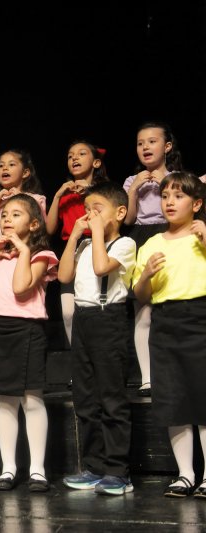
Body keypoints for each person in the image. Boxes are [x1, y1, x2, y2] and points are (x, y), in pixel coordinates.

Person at [0, 194, 58, 492]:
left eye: (15, 214)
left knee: (32, 399)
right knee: (5, 400)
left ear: (34, 224)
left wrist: (22, 250)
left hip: (27, 329)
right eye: (4, 215)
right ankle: (8, 468)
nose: (7, 219)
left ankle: (37, 469)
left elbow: (21, 287)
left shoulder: (41, 255)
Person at [58, 182, 136, 496]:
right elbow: (63, 276)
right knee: (86, 399)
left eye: (97, 209)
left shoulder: (124, 244)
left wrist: (99, 233)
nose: (90, 215)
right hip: (83, 319)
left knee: (112, 399)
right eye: (87, 209)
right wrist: (74, 237)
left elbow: (102, 268)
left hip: (109, 319)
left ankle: (118, 472)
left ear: (120, 212)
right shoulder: (86, 245)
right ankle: (94, 467)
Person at [133, 171, 206, 499]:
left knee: (202, 398)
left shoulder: (201, 235)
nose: (170, 202)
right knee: (173, 400)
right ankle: (185, 474)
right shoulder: (152, 243)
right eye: (165, 197)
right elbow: (141, 294)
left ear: (197, 204)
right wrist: (146, 275)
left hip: (200, 319)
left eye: (178, 196)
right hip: (165, 322)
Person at [123, 122, 183, 396]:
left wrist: (165, 186)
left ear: (167, 146)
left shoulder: (177, 177)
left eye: (152, 141)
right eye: (140, 143)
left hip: (171, 233)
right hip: (141, 236)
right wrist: (134, 188)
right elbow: (128, 218)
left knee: (172, 307)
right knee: (143, 310)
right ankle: (147, 377)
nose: (145, 147)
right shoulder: (131, 181)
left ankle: (175, 372)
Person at [46, 141, 109, 344]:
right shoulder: (65, 195)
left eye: (81, 154)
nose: (74, 158)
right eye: (70, 155)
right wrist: (58, 196)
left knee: (97, 303)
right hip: (72, 248)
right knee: (67, 310)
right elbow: (50, 229)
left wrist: (90, 192)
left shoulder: (104, 191)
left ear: (96, 163)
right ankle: (76, 351)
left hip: (98, 244)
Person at [0, 149, 46, 244]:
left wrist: (22, 198)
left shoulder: (36, 199)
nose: (5, 168)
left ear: (25, 173)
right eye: (1, 165)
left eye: (11, 164)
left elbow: (42, 230)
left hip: (26, 247)